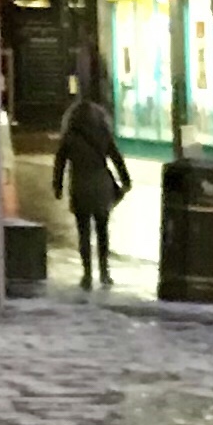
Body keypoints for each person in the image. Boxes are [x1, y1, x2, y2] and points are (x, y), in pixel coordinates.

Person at [51, 74, 132, 289]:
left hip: (80, 186)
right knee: (103, 230)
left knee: (84, 232)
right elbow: (116, 157)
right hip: (101, 184)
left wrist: (57, 186)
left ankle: (87, 274)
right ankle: (105, 272)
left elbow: (60, 162)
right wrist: (125, 179)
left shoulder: (70, 136)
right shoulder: (102, 133)